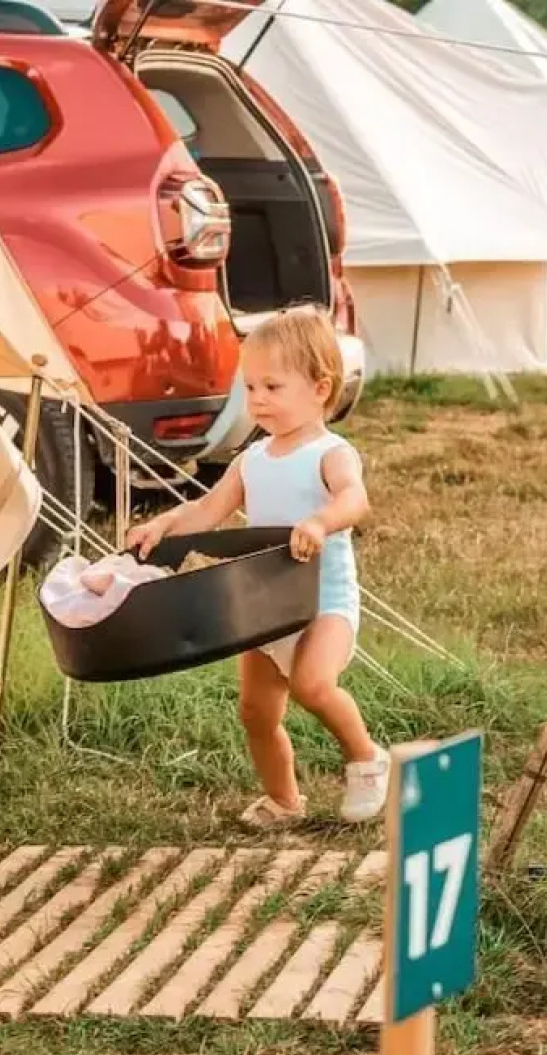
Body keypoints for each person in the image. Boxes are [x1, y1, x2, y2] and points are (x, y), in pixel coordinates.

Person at [126, 305, 390, 828]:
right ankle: (284, 801)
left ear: (319, 387)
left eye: (273, 386)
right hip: (263, 605)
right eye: (250, 388)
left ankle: (366, 758)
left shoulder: (331, 453)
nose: (258, 399)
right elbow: (206, 509)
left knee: (314, 686)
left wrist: (319, 522)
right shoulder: (252, 458)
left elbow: (355, 500)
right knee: (256, 713)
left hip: (322, 602)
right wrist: (162, 526)